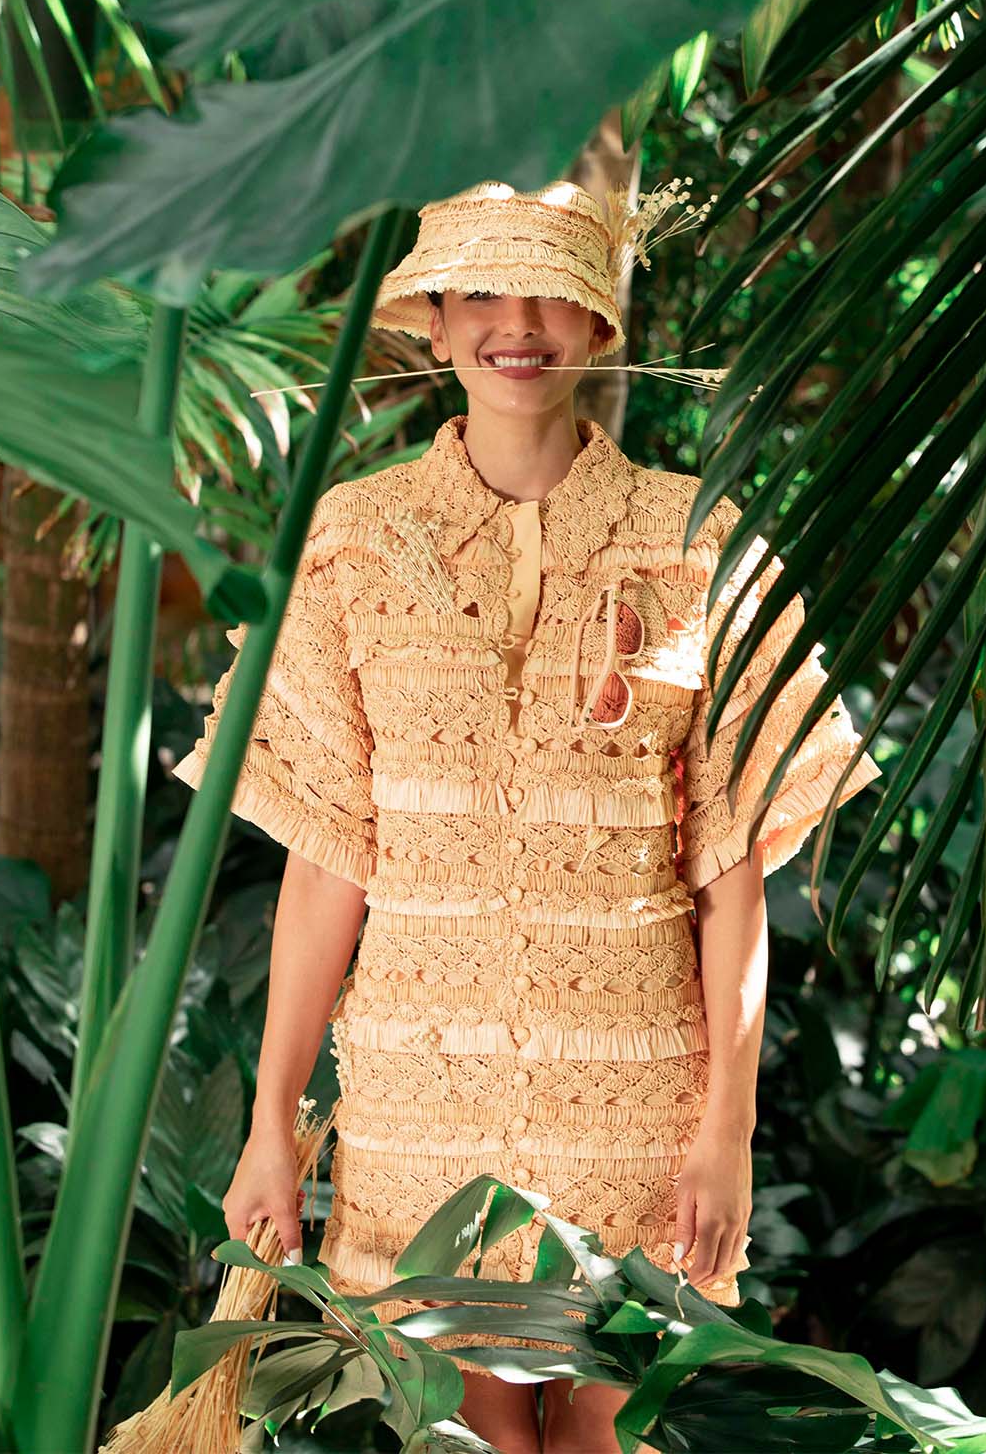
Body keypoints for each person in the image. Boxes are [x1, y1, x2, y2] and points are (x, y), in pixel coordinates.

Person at [174, 177, 882, 1454]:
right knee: (472, 1444)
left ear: (601, 326)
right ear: (435, 327)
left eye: (553, 295)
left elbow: (732, 869)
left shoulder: (695, 538)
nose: (520, 325)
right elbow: (331, 859)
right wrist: (273, 1123)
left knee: (620, 1438)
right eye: (483, 297)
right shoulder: (351, 541)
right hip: (417, 1112)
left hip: (639, 1105)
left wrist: (730, 1127)